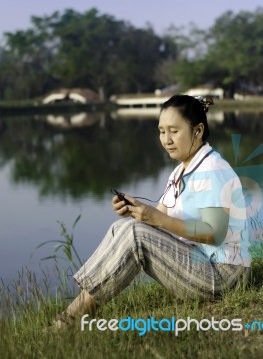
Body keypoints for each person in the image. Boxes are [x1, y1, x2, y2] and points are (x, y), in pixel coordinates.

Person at [52, 94, 251, 328]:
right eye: (161, 131)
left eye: (174, 131)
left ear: (198, 131)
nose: (166, 139)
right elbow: (157, 221)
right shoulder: (179, 172)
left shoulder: (212, 169)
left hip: (224, 275)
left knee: (135, 235)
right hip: (200, 263)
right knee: (123, 227)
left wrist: (155, 219)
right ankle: (81, 305)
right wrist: (135, 211)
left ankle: (71, 319)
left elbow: (214, 233)